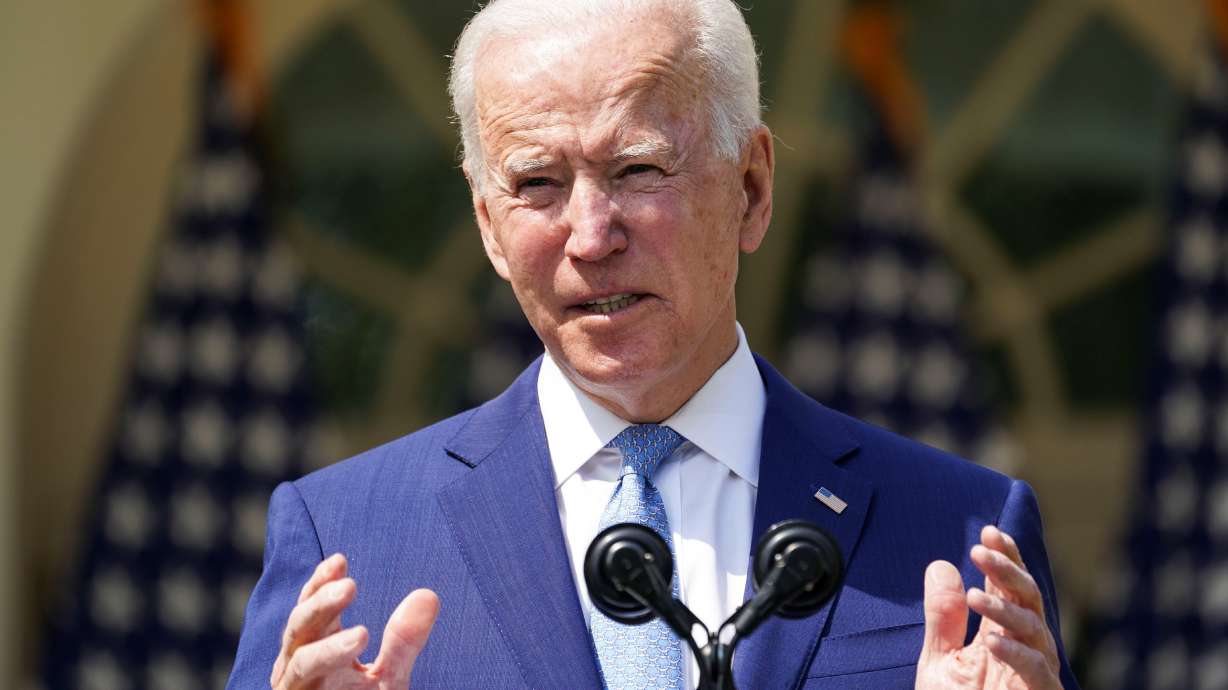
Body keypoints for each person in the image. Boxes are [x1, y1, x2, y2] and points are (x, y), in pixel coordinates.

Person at [228, 0, 1079, 688]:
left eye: (638, 170)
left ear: (751, 189)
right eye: (537, 184)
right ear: (488, 226)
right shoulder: (347, 540)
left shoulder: (963, 529)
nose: (590, 236)